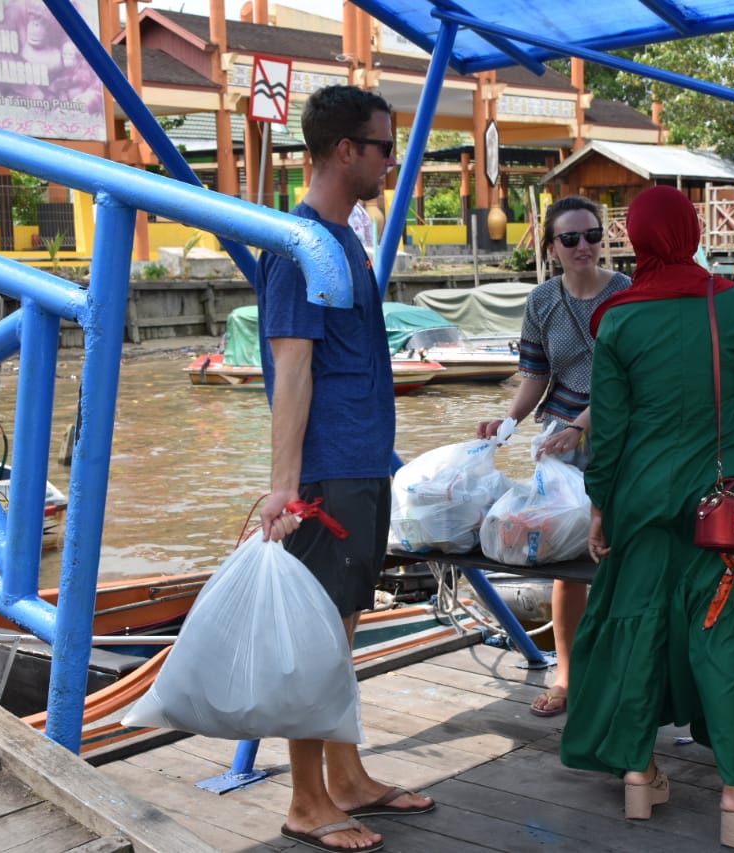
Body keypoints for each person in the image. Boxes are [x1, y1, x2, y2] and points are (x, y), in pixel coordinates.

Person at [560, 186, 734, 849]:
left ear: (636, 238)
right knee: (718, 634)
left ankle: (639, 775)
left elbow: (609, 433)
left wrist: (601, 505)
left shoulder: (617, 320)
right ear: (690, 232)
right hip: (719, 505)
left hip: (639, 500)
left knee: (639, 631)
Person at [257, 84, 433, 853]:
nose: (392, 160)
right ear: (343, 151)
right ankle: (305, 798)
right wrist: (286, 487)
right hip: (328, 471)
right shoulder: (300, 245)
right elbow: (291, 367)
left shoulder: (345, 238)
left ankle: (350, 776)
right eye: (383, 147)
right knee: (314, 637)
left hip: (361, 462)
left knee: (344, 630)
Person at [477, 195, 631, 718]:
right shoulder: (542, 301)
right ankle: (566, 675)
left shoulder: (628, 294)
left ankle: (623, 672)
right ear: (552, 247)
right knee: (568, 563)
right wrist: (509, 422)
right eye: (571, 239)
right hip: (560, 443)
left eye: (592, 236)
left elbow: (630, 377)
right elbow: (536, 374)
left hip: (623, 436)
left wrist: (580, 425)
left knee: (626, 552)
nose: (583, 246)